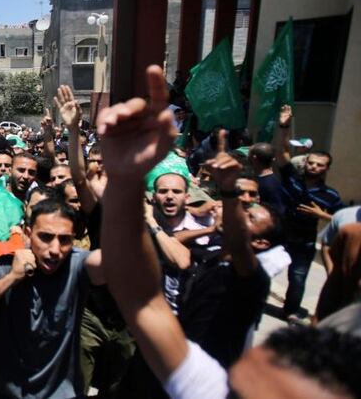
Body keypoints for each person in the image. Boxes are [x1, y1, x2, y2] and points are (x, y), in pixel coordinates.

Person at [96, 64, 361, 399]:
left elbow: (233, 244)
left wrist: (230, 192)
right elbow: (143, 298)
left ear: (261, 242)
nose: (237, 213)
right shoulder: (213, 386)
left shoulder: (254, 276)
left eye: (250, 216)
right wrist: (125, 179)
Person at [0, 197, 105, 398]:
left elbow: (111, 263)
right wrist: (11, 278)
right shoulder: (8, 265)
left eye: (64, 240)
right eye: (45, 237)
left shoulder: (77, 264)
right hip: (7, 393)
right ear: (28, 234)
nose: (55, 250)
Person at [274, 104, 344, 322]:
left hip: (303, 242)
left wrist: (322, 215)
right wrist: (284, 126)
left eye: (319, 165)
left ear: (327, 168)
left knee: (298, 278)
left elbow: (342, 220)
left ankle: (290, 312)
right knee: (263, 272)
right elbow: (282, 152)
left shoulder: (330, 195)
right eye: (311, 162)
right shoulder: (292, 178)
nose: (313, 167)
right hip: (278, 235)